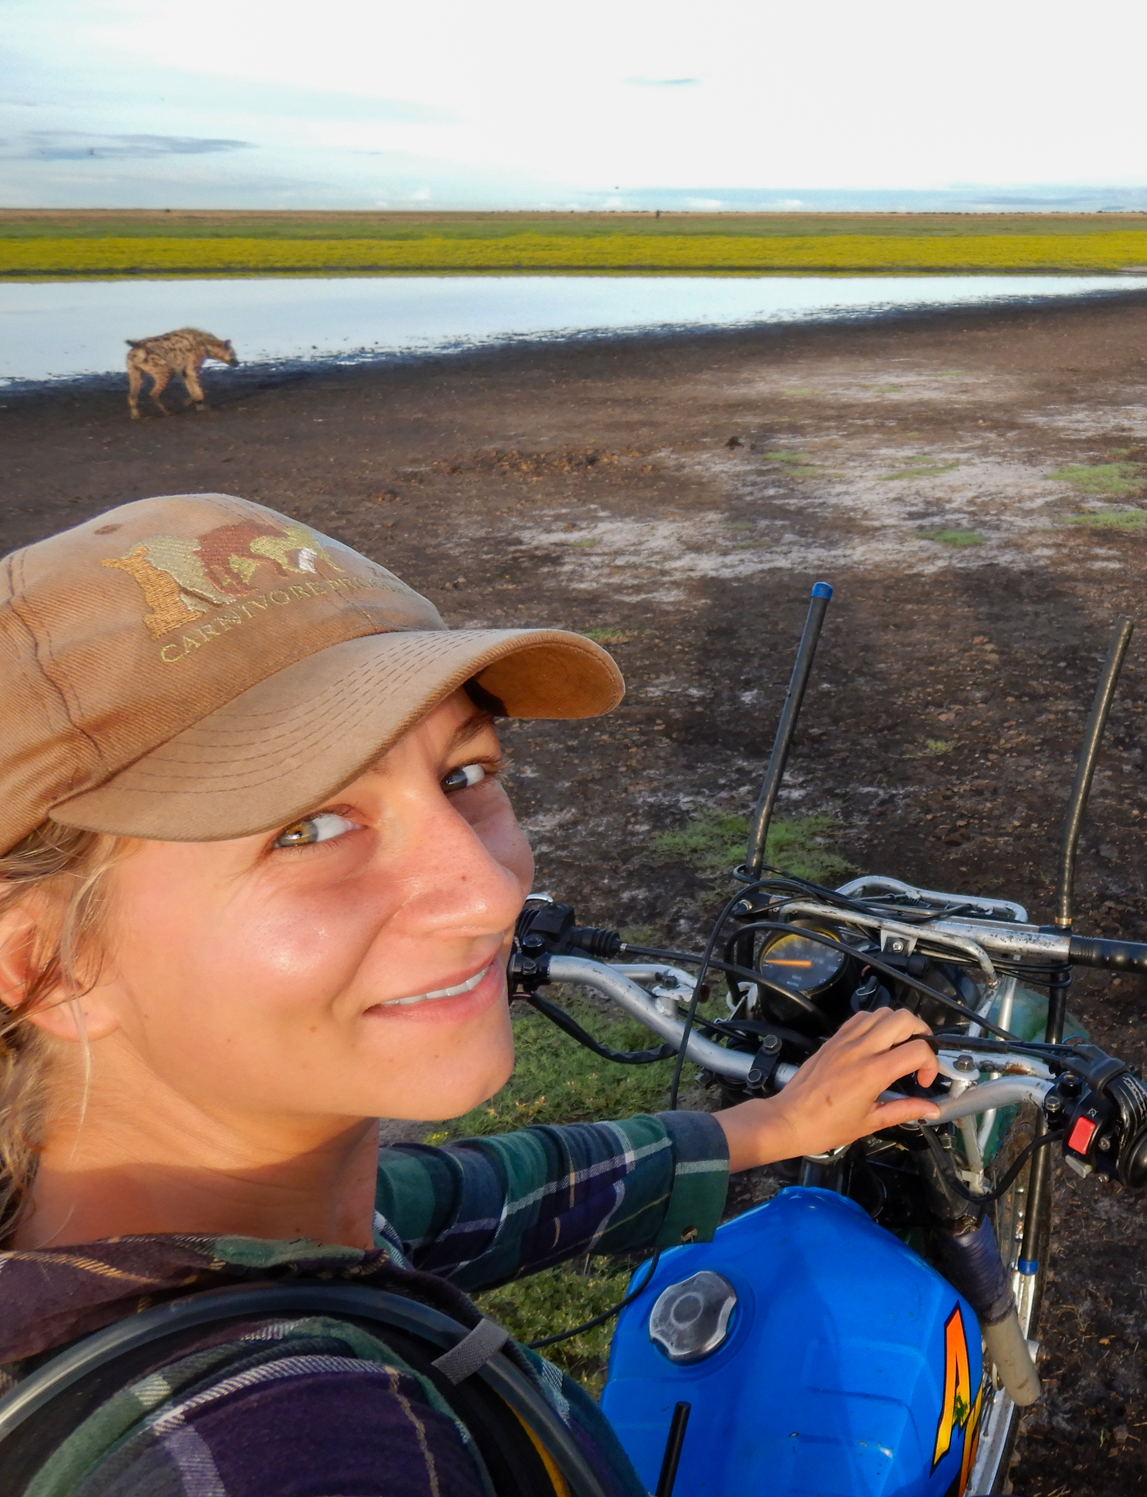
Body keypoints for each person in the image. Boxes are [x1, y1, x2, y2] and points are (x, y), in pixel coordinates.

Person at [0, 493, 942, 1496]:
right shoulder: (267, 1443)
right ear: (42, 961)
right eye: (307, 828)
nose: (491, 891)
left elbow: (462, 1202)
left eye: (462, 773)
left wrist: (765, 1128)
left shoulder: (225, 1216)